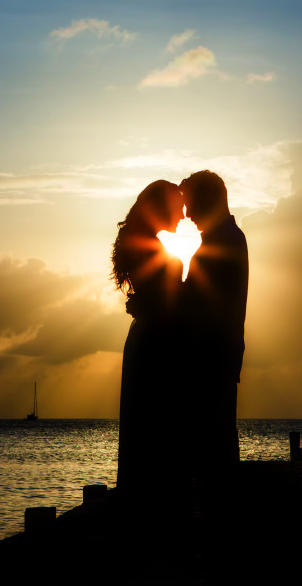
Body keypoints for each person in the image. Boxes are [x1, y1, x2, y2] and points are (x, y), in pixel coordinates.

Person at [111, 180, 185, 492]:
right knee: (154, 427)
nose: (182, 216)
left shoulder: (143, 244)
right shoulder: (148, 249)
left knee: (146, 429)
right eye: (178, 208)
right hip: (154, 345)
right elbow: (165, 302)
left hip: (149, 339)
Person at [179, 170, 249, 469]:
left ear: (211, 201)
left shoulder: (223, 243)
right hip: (216, 362)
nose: (187, 214)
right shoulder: (223, 240)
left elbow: (199, 306)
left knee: (214, 454)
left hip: (211, 364)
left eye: (192, 203)